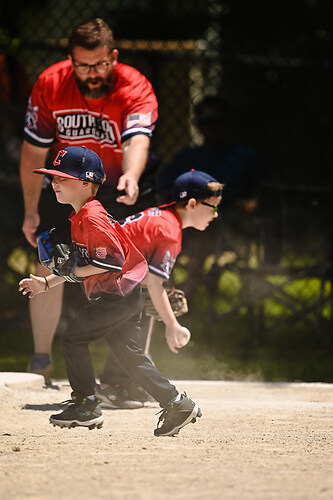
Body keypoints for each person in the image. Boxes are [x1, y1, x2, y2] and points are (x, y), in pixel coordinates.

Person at [18, 146, 202, 437]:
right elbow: (79, 263)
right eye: (51, 177)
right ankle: (177, 403)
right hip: (125, 295)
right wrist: (46, 283)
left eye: (61, 177)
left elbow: (111, 262)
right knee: (130, 356)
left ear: (85, 183)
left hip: (116, 296)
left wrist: (72, 273)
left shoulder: (92, 218)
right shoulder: (82, 216)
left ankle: (86, 405)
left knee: (73, 339)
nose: (53, 182)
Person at [19, 18, 159, 389]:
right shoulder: (51, 83)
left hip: (117, 186)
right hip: (66, 186)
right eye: (83, 66)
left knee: (131, 266)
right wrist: (31, 209)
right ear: (71, 60)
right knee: (46, 253)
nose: (92, 74)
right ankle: (41, 360)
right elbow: (33, 149)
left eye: (99, 65)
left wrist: (131, 175)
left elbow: (137, 139)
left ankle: (123, 376)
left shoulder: (135, 85)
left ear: (113, 56)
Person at [96, 169, 223, 408]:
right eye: (213, 207)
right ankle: (113, 385)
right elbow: (154, 283)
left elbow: (149, 277)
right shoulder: (169, 232)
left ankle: (128, 381)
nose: (216, 214)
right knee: (139, 307)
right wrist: (172, 325)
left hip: (106, 272)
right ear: (193, 204)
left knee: (144, 303)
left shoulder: (163, 217)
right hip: (104, 278)